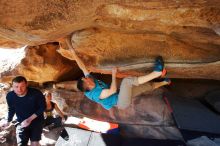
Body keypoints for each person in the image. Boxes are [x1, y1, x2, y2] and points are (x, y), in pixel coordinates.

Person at [66, 39, 171, 110]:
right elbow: (112, 90)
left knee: (144, 87)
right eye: (86, 79)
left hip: (119, 96)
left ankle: (164, 82)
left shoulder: (88, 81)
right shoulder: (96, 94)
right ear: (88, 84)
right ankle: (157, 73)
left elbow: (82, 67)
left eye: (85, 77)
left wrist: (72, 51)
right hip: (121, 103)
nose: (87, 77)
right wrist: (113, 74)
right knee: (127, 81)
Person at [1, 76, 46, 146]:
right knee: (21, 143)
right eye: (16, 87)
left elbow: (42, 107)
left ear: (26, 85)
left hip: (37, 121)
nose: (19, 89)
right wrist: (8, 121)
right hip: (21, 121)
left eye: (22, 86)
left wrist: (29, 120)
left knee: (34, 143)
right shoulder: (10, 96)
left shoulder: (36, 93)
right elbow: (11, 109)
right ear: (12, 86)